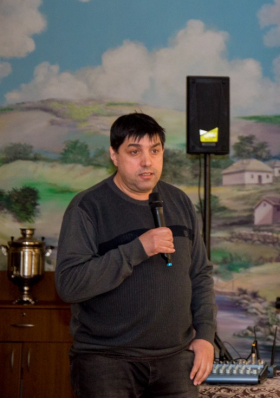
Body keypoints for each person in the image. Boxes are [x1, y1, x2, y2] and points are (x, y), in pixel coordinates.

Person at [55, 112, 216, 397]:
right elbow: (70, 284)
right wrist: (137, 249)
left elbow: (200, 275)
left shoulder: (180, 202)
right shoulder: (88, 206)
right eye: (134, 152)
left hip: (176, 362)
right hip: (106, 363)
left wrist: (205, 335)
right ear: (114, 155)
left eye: (155, 151)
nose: (147, 161)